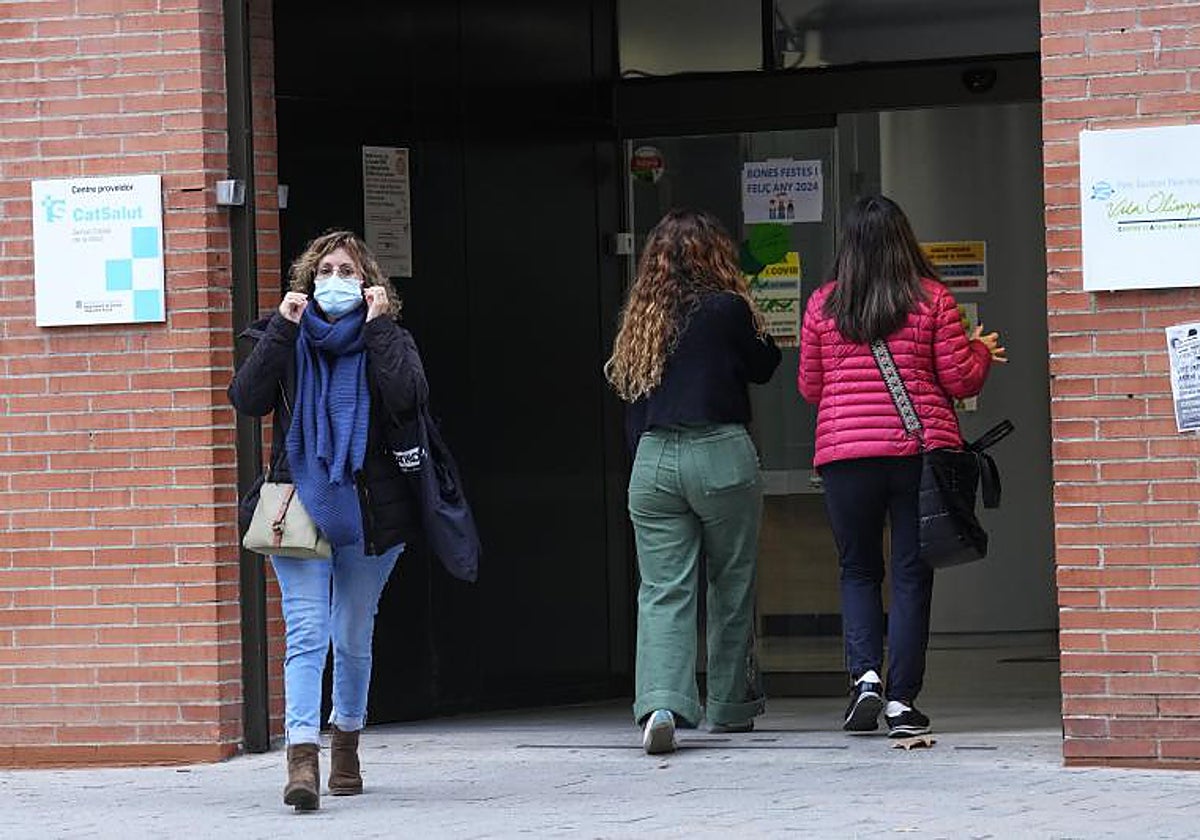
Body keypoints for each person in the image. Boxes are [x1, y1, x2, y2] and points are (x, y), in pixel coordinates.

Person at [229, 230, 427, 811]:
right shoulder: (285, 335)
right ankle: (302, 761)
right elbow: (247, 398)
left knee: (352, 634)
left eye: (346, 270)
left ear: (367, 283)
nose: (333, 279)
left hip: (370, 511)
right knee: (308, 632)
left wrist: (380, 327)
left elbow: (408, 397)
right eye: (325, 270)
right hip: (299, 506)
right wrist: (284, 329)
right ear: (307, 280)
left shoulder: (387, 338)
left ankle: (347, 745)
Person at [798, 196, 1006, 738]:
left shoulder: (822, 305)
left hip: (845, 457)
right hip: (916, 455)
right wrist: (979, 351)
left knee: (858, 570)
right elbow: (960, 380)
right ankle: (900, 702)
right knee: (912, 575)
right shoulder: (932, 299)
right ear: (903, 240)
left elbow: (810, 387)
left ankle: (865, 678)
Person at [605, 209, 781, 755]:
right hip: (720, 452)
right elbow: (765, 365)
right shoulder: (727, 308)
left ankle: (661, 703)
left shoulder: (642, 315)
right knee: (730, 584)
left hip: (653, 460)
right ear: (715, 255)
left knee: (662, 590)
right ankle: (728, 706)